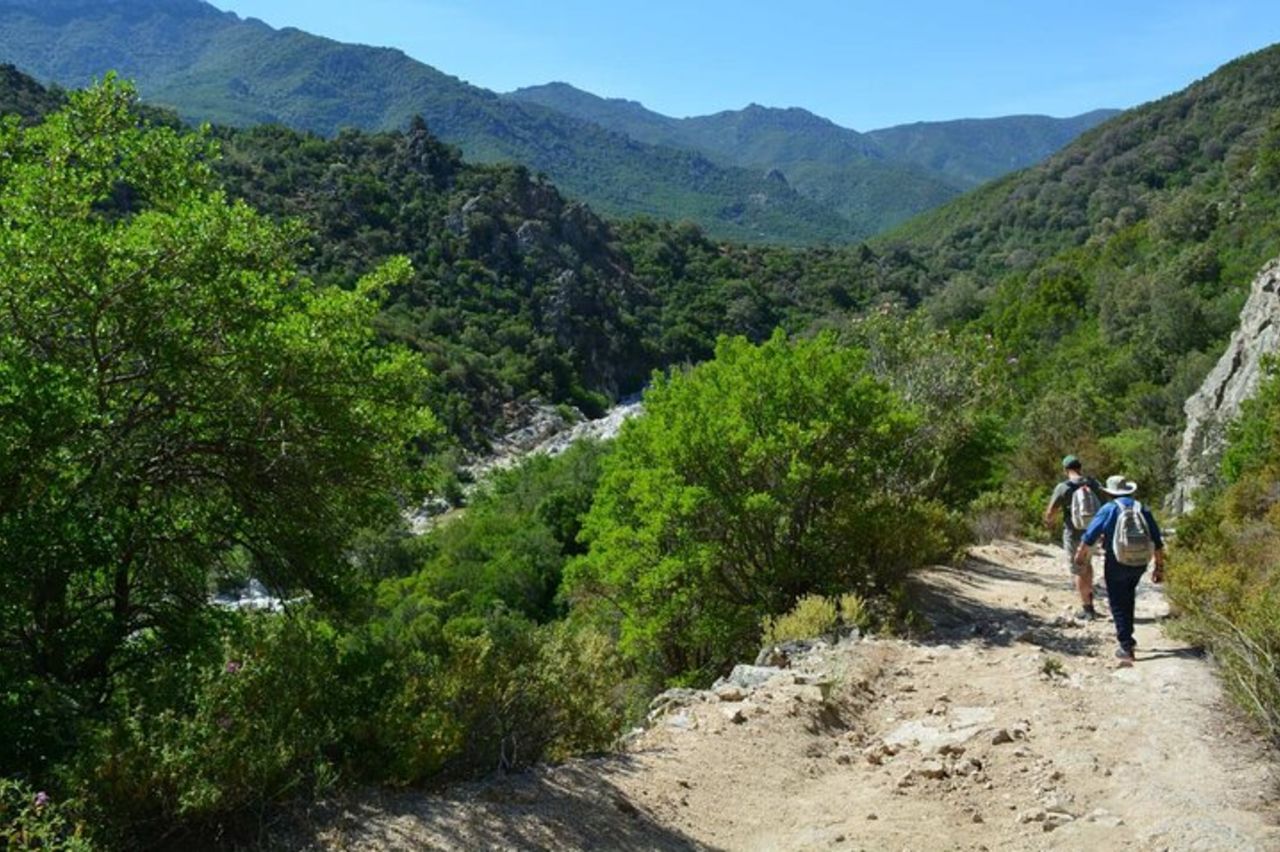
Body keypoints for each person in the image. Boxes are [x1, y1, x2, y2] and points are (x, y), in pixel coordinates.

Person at [1075, 475, 1166, 666]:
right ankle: (1128, 638)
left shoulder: (1109, 508)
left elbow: (1090, 535)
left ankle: (1126, 646)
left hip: (1116, 561)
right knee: (1128, 596)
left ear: (1109, 493)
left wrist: (1080, 556)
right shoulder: (1142, 508)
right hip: (1140, 562)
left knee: (1117, 601)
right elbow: (1157, 541)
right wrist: (1159, 567)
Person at [1043, 455, 1105, 620]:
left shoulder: (1063, 487)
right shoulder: (1093, 483)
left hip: (1073, 534)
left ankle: (1087, 609)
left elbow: (1051, 511)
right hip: (1093, 534)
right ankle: (1091, 605)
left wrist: (1049, 523)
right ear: (1080, 467)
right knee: (1088, 565)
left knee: (1078, 569)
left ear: (1065, 470)